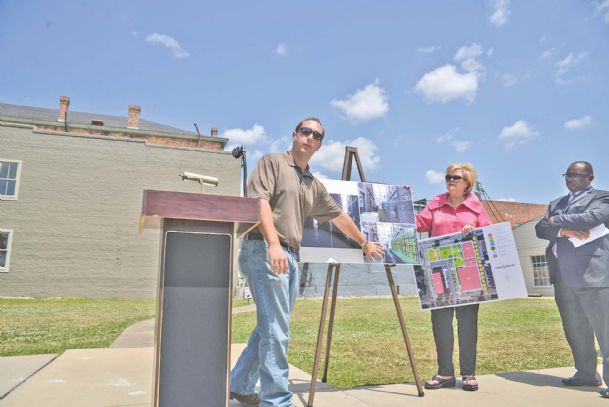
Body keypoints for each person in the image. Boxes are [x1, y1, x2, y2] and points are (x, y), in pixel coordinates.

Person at [229, 117, 385, 407]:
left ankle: (239, 384)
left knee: (270, 326)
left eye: (316, 135)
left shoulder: (312, 184)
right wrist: (274, 244)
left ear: (319, 144)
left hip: (290, 255)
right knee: (276, 329)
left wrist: (364, 243)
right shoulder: (272, 163)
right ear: (294, 135)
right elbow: (259, 202)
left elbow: (339, 216)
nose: (310, 137)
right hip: (264, 250)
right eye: (305, 131)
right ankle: (277, 401)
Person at [535, 161, 609, 399]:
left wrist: (555, 222)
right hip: (563, 275)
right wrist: (562, 231)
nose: (570, 178)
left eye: (576, 175)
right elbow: (539, 228)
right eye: (568, 174)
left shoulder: (603, 197)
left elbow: (593, 218)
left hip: (592, 274)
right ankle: (586, 373)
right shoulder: (556, 203)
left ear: (590, 177)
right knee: (575, 328)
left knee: (604, 330)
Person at [415, 163, 491, 392]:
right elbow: (419, 223)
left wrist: (474, 231)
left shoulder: (476, 207)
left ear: (467, 183)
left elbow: (489, 235)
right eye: (448, 177)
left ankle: (468, 373)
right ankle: (445, 373)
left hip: (468, 273)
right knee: (441, 324)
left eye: (455, 178)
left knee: (468, 324)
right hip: (439, 272)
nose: (450, 180)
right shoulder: (436, 203)